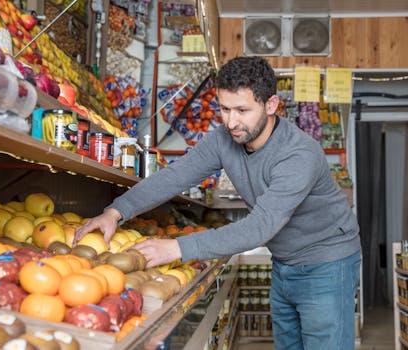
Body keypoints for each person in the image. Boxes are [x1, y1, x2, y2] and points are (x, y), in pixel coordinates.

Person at [74, 56, 361, 350]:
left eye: (242, 110)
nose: (231, 121)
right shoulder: (225, 139)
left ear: (271, 105)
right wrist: (116, 211)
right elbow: (175, 176)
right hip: (285, 262)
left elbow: (260, 227)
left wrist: (178, 248)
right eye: (224, 108)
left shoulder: (299, 153)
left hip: (327, 263)